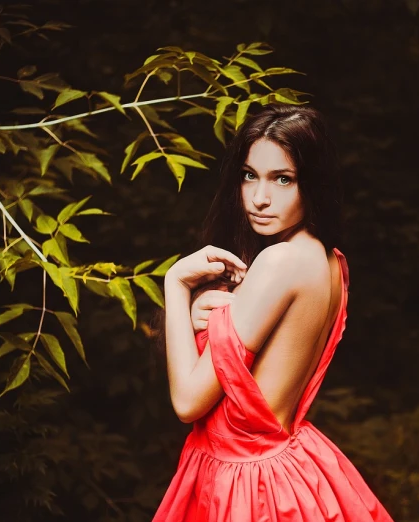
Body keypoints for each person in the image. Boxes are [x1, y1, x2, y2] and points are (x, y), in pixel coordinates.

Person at [152, 103, 393, 521]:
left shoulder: (279, 261)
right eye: (250, 176)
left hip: (248, 484)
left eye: (283, 179)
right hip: (286, 463)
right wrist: (205, 320)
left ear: (312, 184)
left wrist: (175, 283)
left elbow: (188, 401)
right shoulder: (329, 260)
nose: (260, 199)